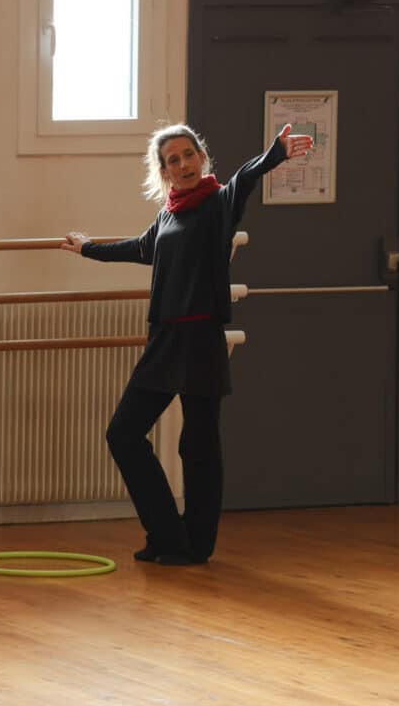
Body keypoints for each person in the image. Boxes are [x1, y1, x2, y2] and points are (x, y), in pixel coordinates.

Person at [62, 122, 313, 565]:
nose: (183, 164)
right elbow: (142, 248)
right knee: (123, 433)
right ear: (164, 171)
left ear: (202, 157)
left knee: (197, 445)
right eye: (173, 160)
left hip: (200, 339)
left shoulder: (217, 203)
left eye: (188, 154)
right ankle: (166, 533)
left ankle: (195, 545)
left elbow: (245, 180)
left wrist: (273, 154)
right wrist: (89, 249)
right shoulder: (168, 213)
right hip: (166, 338)